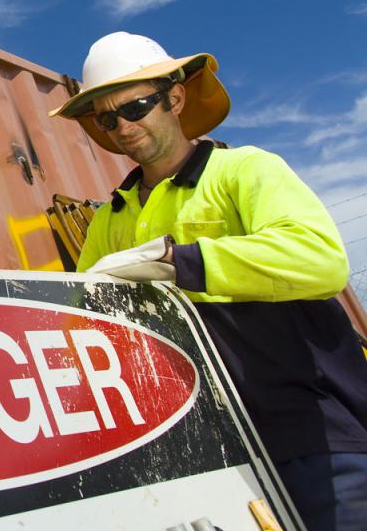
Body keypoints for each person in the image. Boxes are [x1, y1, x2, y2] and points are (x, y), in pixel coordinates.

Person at [49, 31, 367, 531]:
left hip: (312, 435)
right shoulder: (109, 221)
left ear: (174, 98)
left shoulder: (244, 170)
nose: (122, 128)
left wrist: (181, 262)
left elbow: (320, 260)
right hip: (204, 456)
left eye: (135, 108)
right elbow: (81, 317)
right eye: (107, 118)